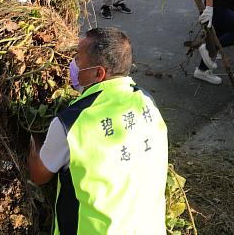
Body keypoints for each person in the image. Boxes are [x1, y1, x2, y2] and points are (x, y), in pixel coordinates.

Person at [28, 27, 168, 234]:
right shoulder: (147, 102)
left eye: (77, 59)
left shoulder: (72, 123)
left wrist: (33, 146)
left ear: (98, 73)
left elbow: (39, 176)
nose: (73, 65)